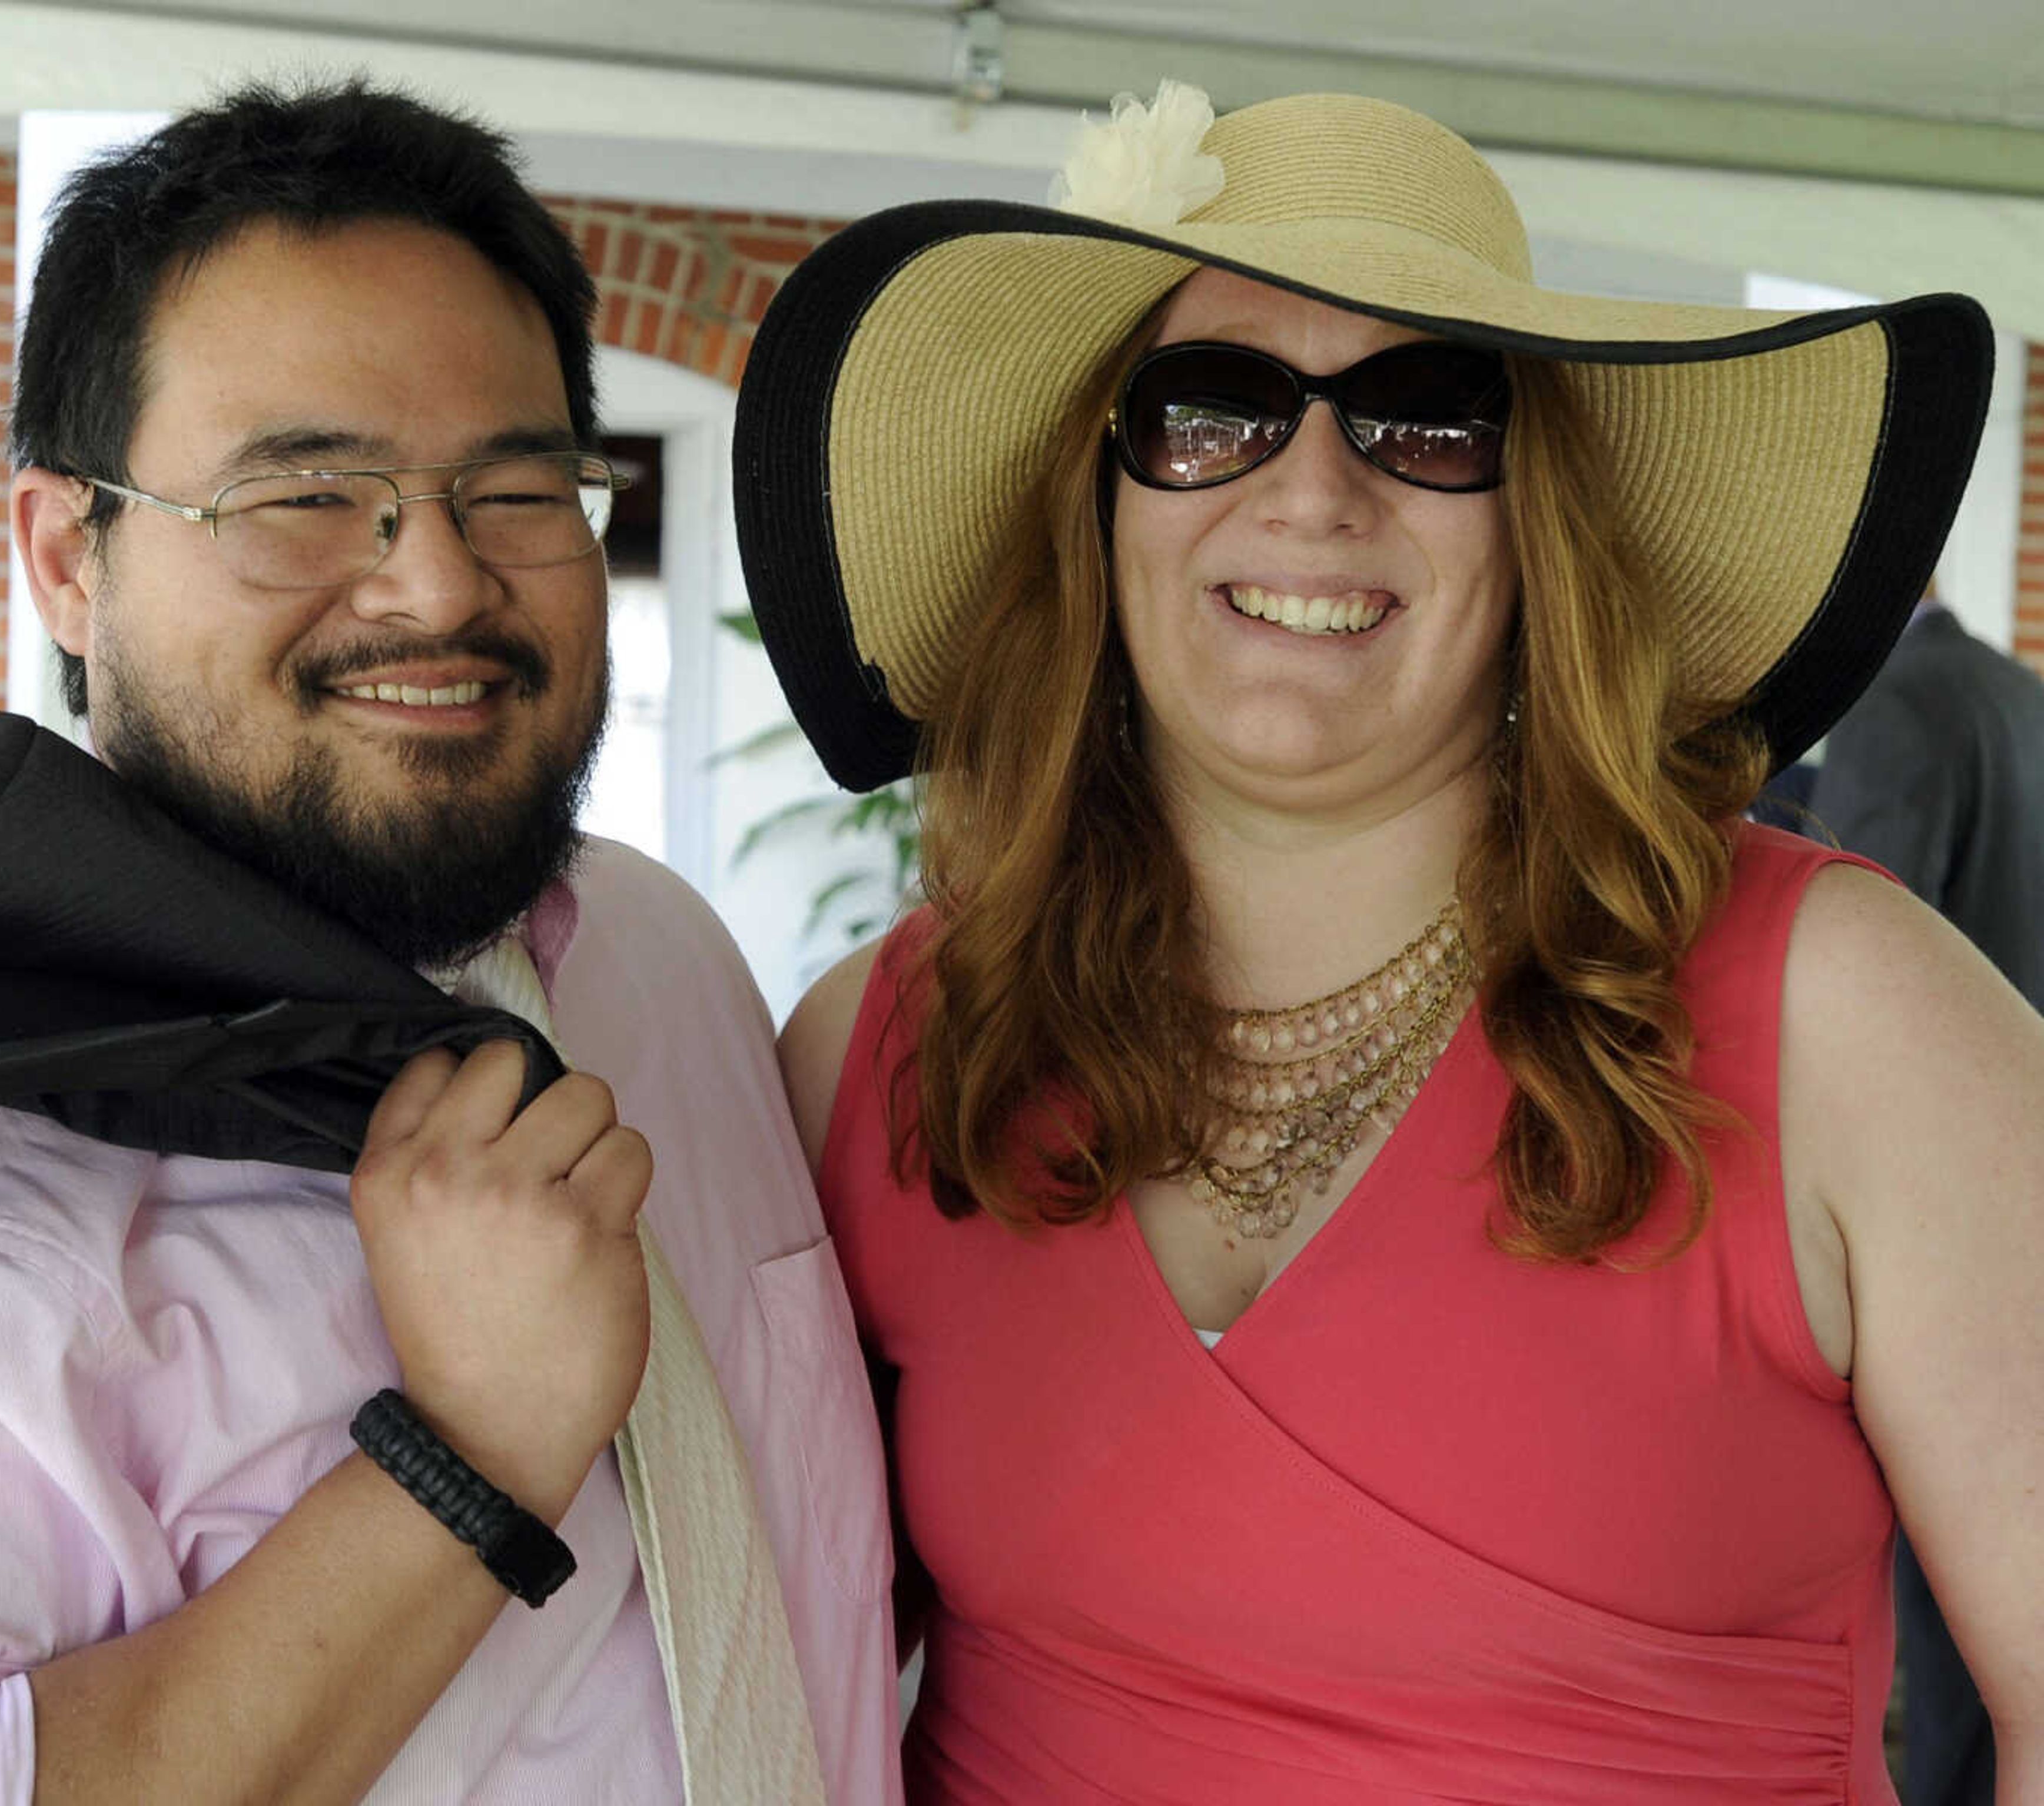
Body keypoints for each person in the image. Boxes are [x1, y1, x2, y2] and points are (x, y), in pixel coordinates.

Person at [731, 82, 2043, 1802]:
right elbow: (756, 1686)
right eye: (1213, 411)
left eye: (1429, 421)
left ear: (1536, 531)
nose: (1315, 493)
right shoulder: (883, 1049)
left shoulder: (1852, 1019)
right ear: (1098, 501)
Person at [0, 82, 897, 1804]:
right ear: (68, 560)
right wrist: (465, 1458)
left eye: (516, 487)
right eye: (302, 495)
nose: (437, 587)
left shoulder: (665, 963)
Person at [1810, 584, 2044, 1806]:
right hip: (2024, 1152)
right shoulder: (2018, 691)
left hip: (1911, 1189)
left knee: (1946, 1606)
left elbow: (1845, 915)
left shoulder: (1897, 707)